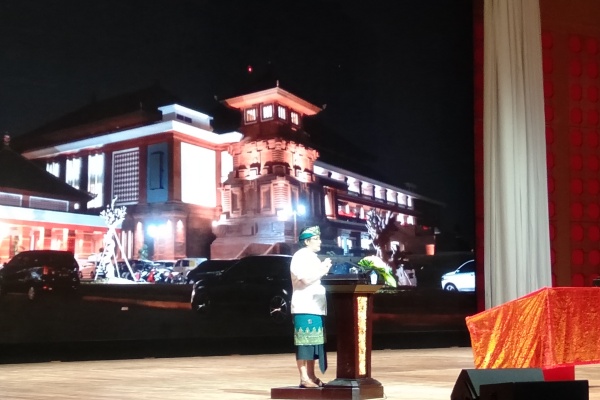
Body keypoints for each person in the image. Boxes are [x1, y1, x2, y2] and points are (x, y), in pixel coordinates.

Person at [290, 225, 332, 388]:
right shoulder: (300, 256)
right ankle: (303, 377)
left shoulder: (312, 257)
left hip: (315, 307)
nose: (319, 241)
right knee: (304, 343)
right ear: (307, 241)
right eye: (316, 239)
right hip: (304, 305)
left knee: (314, 343)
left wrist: (323, 269)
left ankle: (312, 376)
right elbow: (305, 280)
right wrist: (322, 270)